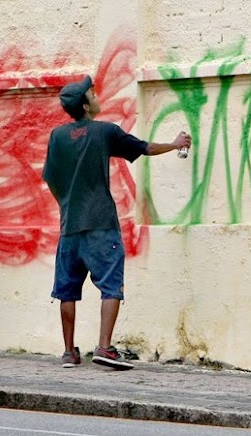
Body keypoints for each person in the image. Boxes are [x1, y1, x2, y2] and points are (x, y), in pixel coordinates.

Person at [42, 75, 191, 370]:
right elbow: (144, 148)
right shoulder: (104, 132)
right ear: (85, 105)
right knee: (110, 284)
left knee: (67, 290)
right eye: (93, 94)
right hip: (101, 222)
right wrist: (175, 144)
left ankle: (69, 352)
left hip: (69, 225)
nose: (97, 97)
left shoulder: (57, 136)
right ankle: (104, 347)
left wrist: (67, 206)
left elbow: (51, 179)